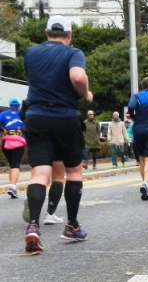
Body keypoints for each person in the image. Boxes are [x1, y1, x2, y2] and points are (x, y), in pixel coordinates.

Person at [22, 15, 93, 253]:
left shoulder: (31, 53)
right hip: (65, 116)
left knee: (39, 173)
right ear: (69, 35)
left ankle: (33, 225)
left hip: (36, 116)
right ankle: (72, 226)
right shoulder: (74, 53)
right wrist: (86, 93)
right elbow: (77, 76)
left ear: (46, 32)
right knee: (73, 171)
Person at [0, 97, 26, 198]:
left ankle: (12, 186)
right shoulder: (23, 114)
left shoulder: (3, 114)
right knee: (16, 165)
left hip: (6, 141)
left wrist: (3, 129)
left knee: (11, 165)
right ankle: (12, 186)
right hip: (19, 141)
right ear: (19, 105)